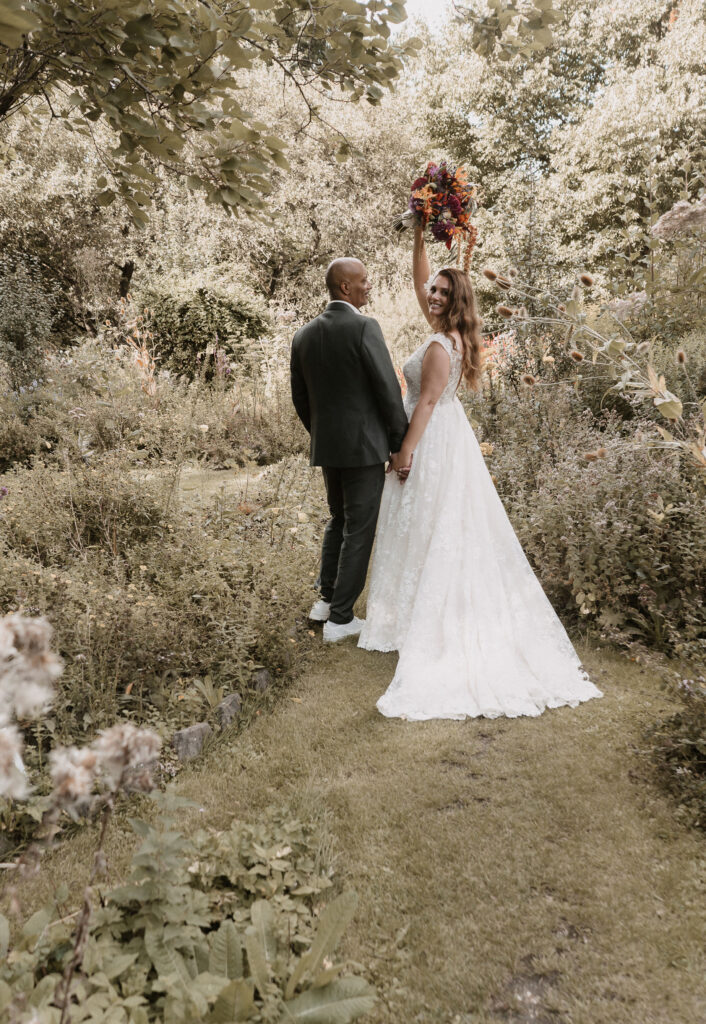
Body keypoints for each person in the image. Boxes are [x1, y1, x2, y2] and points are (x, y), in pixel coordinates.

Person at [357, 226, 603, 719]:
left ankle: (425, 619)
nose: (432, 295)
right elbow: (421, 280)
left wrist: (404, 453)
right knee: (431, 524)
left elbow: (426, 403)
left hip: (431, 439)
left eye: (442, 293)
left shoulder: (438, 346)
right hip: (451, 437)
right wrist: (419, 234)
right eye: (433, 289)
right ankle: (411, 616)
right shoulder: (452, 335)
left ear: (456, 302)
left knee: (427, 523)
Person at [291, 257, 408, 642]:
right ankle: (341, 619)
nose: (369, 285)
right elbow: (388, 390)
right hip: (364, 448)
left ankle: (326, 603)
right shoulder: (364, 327)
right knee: (359, 528)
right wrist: (398, 443)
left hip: (329, 447)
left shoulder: (303, 335)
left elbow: (300, 398)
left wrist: (322, 434)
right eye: (364, 280)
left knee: (338, 519)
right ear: (345, 287)